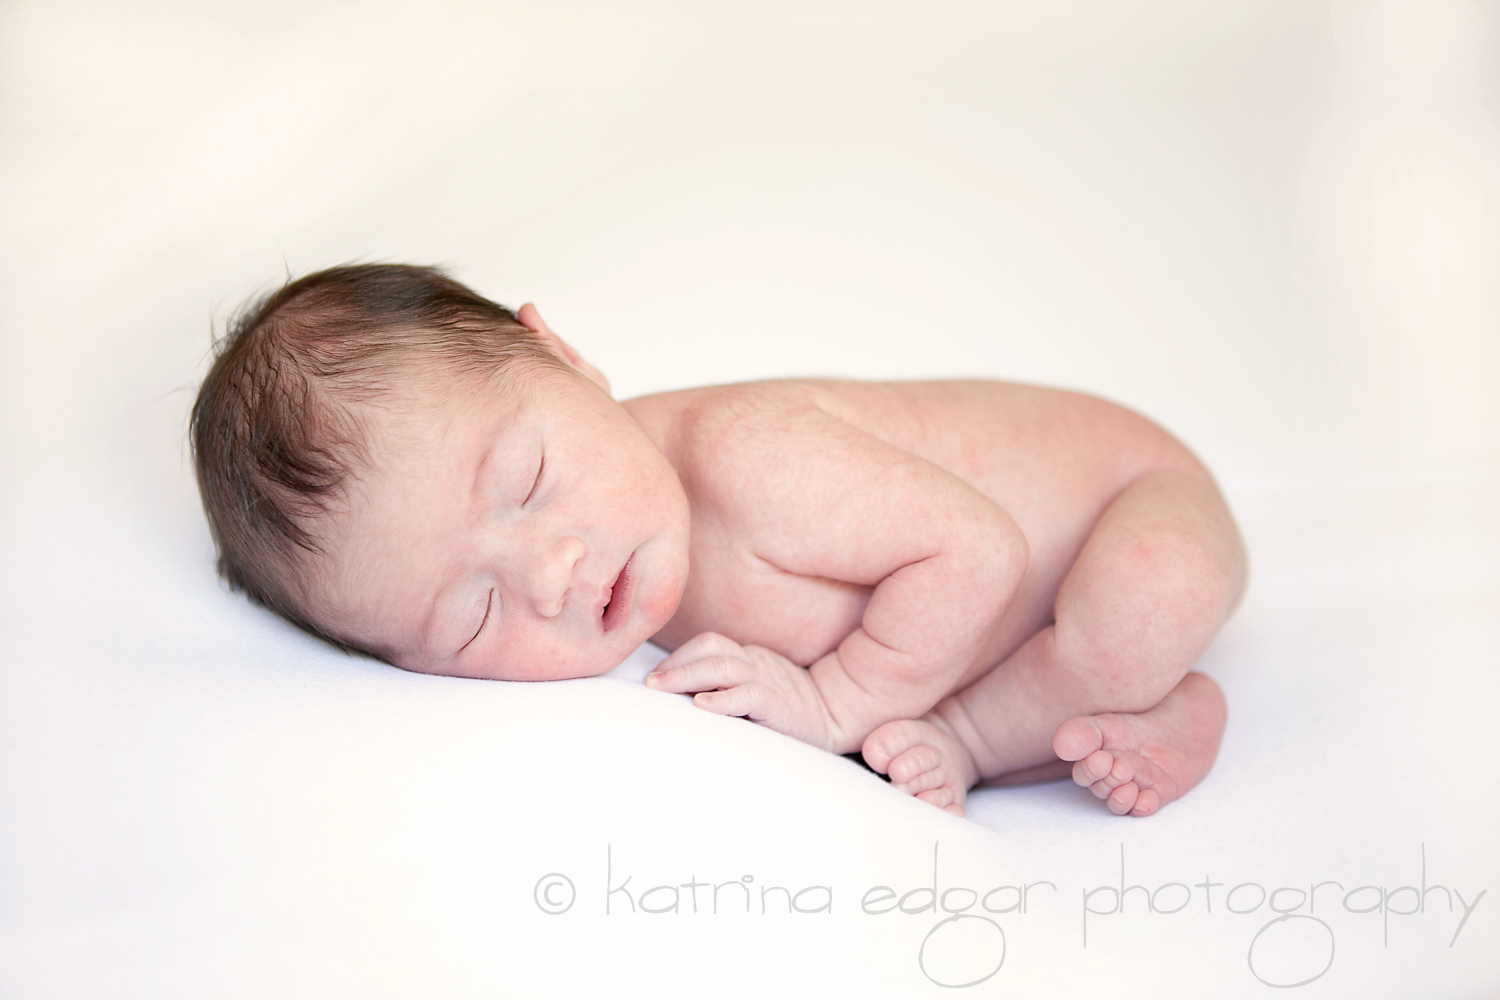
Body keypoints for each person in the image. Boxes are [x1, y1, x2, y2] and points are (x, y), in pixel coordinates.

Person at [191, 264, 1246, 817]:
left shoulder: (747, 455)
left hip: (1129, 499)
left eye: (529, 480)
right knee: (1051, 693)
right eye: (474, 613)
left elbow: (977, 551)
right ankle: (1165, 712)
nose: (552, 574)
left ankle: (1016, 724)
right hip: (997, 643)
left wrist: (842, 708)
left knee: (1144, 598)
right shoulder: (632, 572)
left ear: (562, 356)